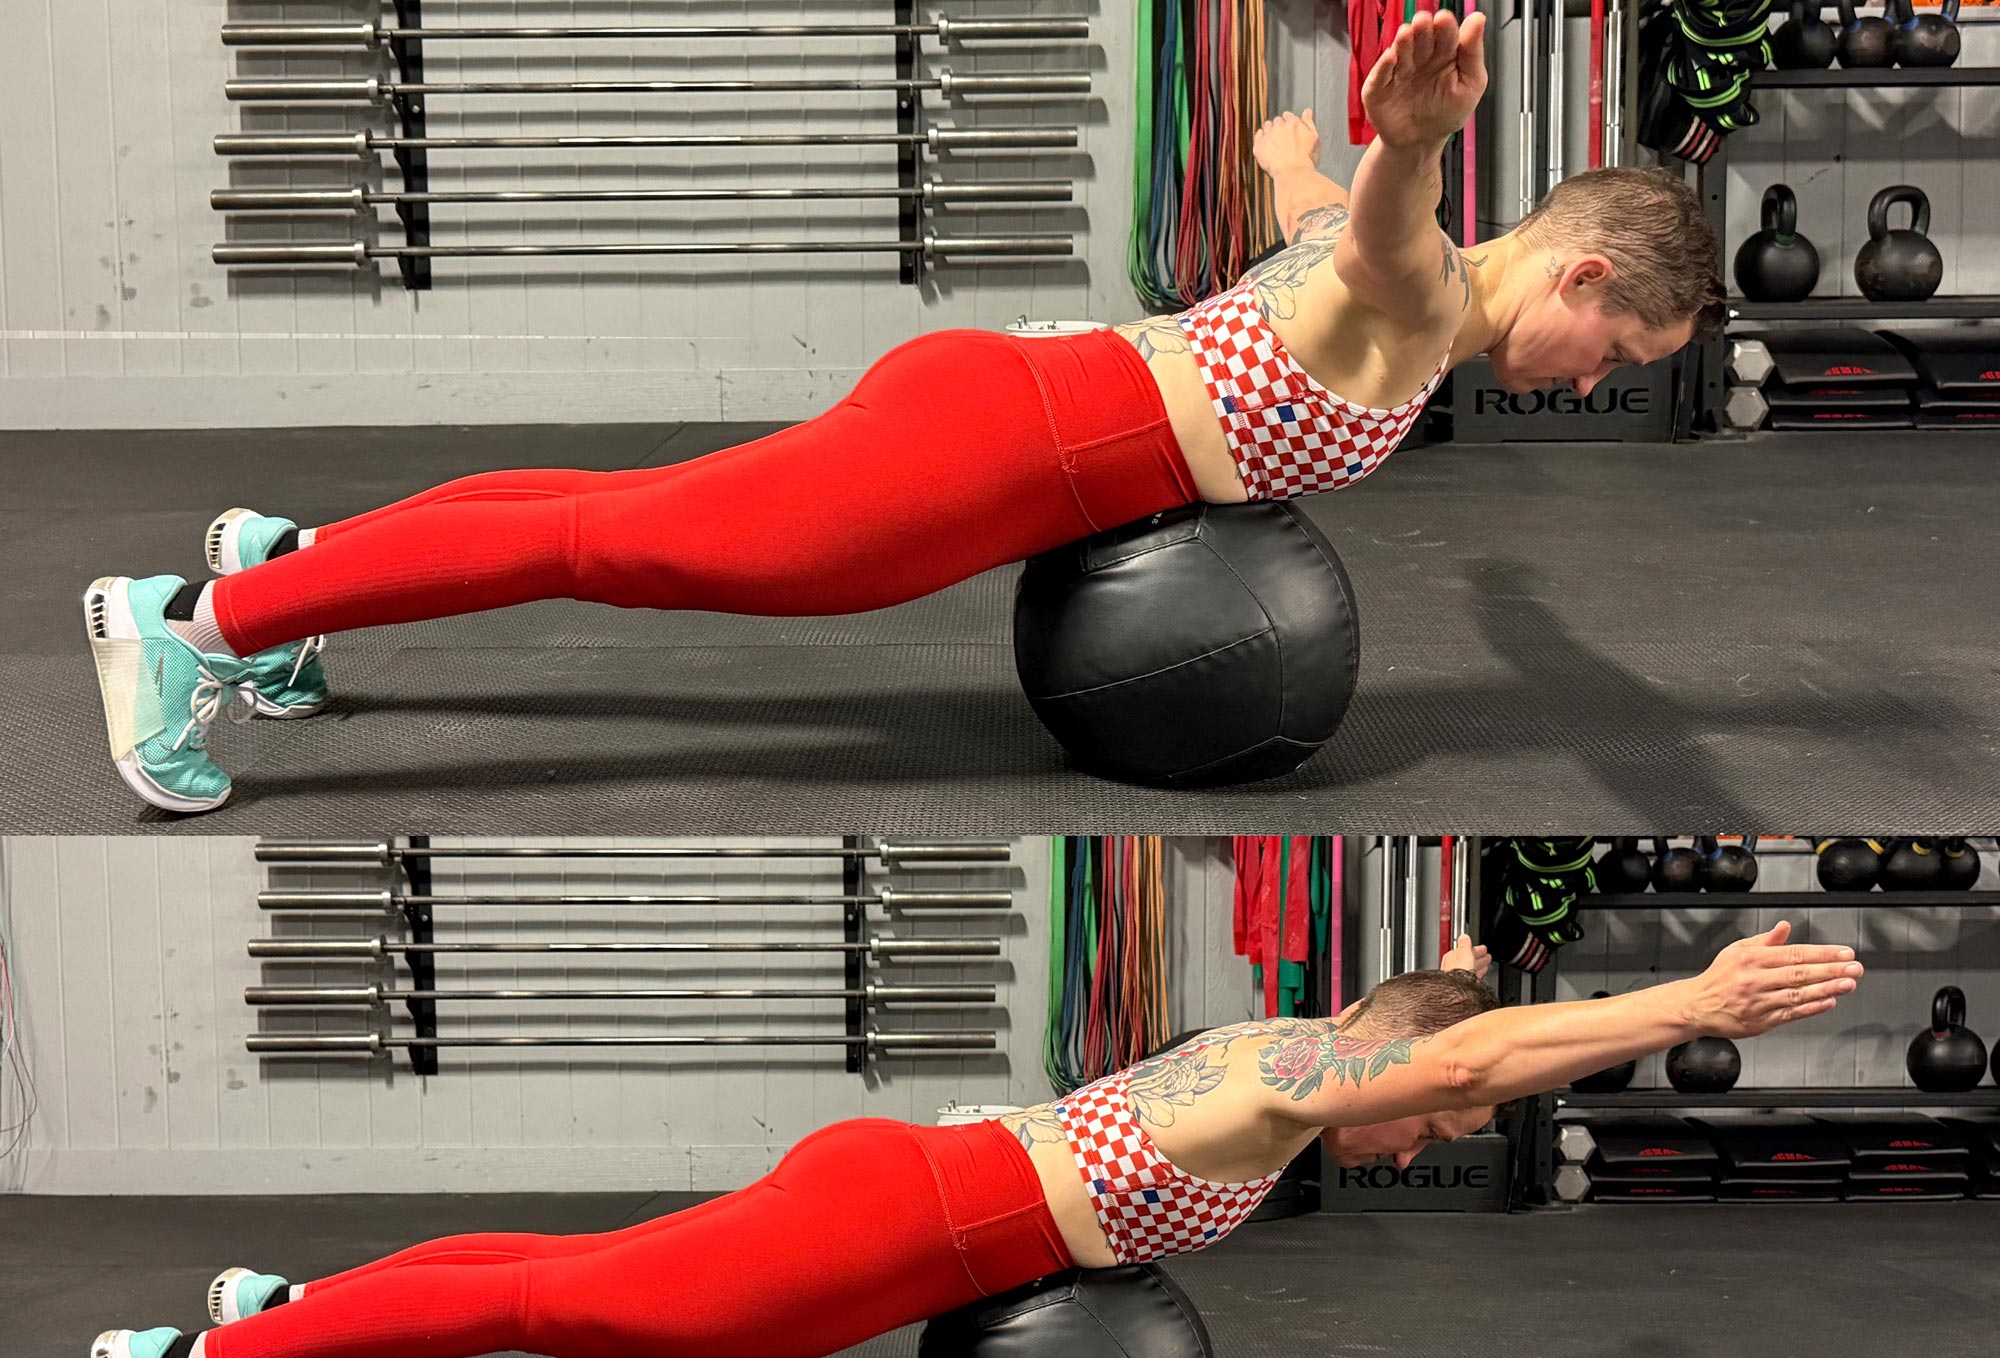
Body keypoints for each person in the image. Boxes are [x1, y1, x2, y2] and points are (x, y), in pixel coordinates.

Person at [81, 12, 1723, 813]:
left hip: (1016, 395)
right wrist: (1406, 139)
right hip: (1008, 451)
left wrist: (1319, 149)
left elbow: (1303, 200)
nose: (1595, 387)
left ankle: (295, 567)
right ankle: (205, 627)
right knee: (617, 542)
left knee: (615, 510)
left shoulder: (1410, 294)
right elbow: (1374, 229)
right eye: (1620, 352)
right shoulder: (1426, 287)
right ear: (1580, 274)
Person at [90, 924, 1858, 1358]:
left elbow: (1451, 1029)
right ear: (1394, 1057)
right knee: (570, 1304)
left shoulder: (1278, 1058)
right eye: (1449, 1114)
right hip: (901, 1235)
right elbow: (1462, 1043)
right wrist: (1680, 997)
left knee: (569, 1277)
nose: (1439, 1139)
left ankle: (283, 1310)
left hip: (910, 1188)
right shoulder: (1313, 1070)